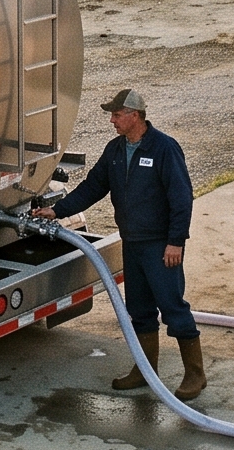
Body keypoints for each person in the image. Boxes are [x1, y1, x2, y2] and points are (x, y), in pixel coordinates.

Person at [32, 88, 203, 399]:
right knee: (139, 310)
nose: (111, 120)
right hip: (132, 244)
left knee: (173, 307)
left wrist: (175, 242)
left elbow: (181, 199)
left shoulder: (164, 149)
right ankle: (144, 369)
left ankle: (195, 374)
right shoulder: (115, 151)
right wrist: (57, 211)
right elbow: (92, 187)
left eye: (116, 115)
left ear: (134, 116)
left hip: (160, 247)